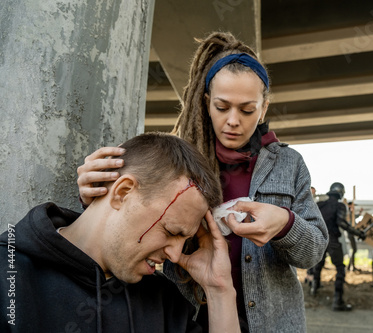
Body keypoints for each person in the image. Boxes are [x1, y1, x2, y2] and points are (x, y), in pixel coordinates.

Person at [76, 31, 328, 332]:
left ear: (264, 108)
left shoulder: (290, 164)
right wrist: (96, 193)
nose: (233, 120)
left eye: (247, 109)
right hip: (183, 319)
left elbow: (312, 252)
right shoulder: (174, 160)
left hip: (273, 323)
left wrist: (286, 224)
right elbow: (124, 221)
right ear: (206, 102)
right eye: (222, 107)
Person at [0, 132, 241, 332]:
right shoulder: (7, 275)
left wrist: (219, 290)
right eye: (170, 231)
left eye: (185, 241)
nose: (176, 256)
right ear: (123, 192)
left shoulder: (164, 304)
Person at [309, 182, 366, 311]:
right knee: (340, 268)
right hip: (332, 240)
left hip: (319, 238)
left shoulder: (320, 205)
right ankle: (337, 301)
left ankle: (314, 289)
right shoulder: (340, 206)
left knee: (318, 264)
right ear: (340, 193)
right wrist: (358, 233)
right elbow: (342, 223)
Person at [346, 201, 363, 272]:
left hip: (352, 234)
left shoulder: (351, 214)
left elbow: (356, 216)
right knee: (354, 249)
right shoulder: (348, 214)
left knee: (354, 250)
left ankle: (350, 265)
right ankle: (350, 266)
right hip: (350, 234)